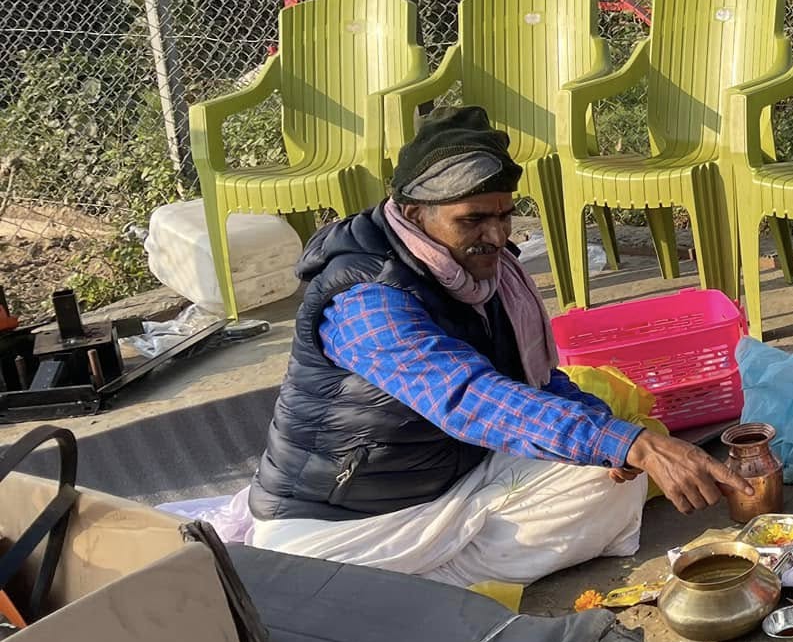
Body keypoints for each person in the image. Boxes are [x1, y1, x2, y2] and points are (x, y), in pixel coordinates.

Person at [243, 105, 742, 587]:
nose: (499, 236)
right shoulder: (365, 300)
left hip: (454, 475)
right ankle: (417, 583)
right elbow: (468, 397)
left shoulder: (484, 271)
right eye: (474, 220)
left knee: (612, 477)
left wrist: (620, 443)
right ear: (415, 214)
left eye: (505, 216)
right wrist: (629, 444)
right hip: (346, 521)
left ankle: (428, 577)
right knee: (621, 451)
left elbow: (538, 382)